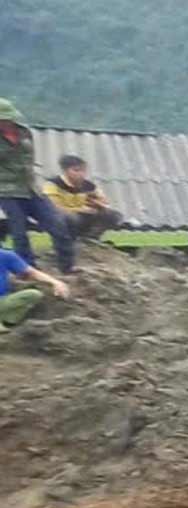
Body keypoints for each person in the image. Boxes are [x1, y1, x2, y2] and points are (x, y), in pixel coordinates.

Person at [0, 98, 75, 275]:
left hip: (31, 187)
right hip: (7, 191)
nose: (7, 122)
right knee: (19, 232)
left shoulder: (24, 132)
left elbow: (29, 158)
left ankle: (68, 266)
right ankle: (28, 269)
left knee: (57, 223)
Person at [42, 155, 122, 240]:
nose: (81, 174)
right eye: (76, 170)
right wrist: (80, 209)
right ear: (65, 171)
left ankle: (90, 238)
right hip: (64, 218)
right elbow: (53, 207)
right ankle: (68, 241)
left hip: (84, 216)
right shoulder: (53, 185)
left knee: (113, 215)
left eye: (83, 171)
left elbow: (104, 201)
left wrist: (98, 204)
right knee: (70, 218)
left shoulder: (88, 186)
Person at [0, 245, 70, 333]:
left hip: (2, 301)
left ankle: (6, 323)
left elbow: (32, 273)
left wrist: (55, 282)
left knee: (33, 294)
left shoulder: (5, 255)